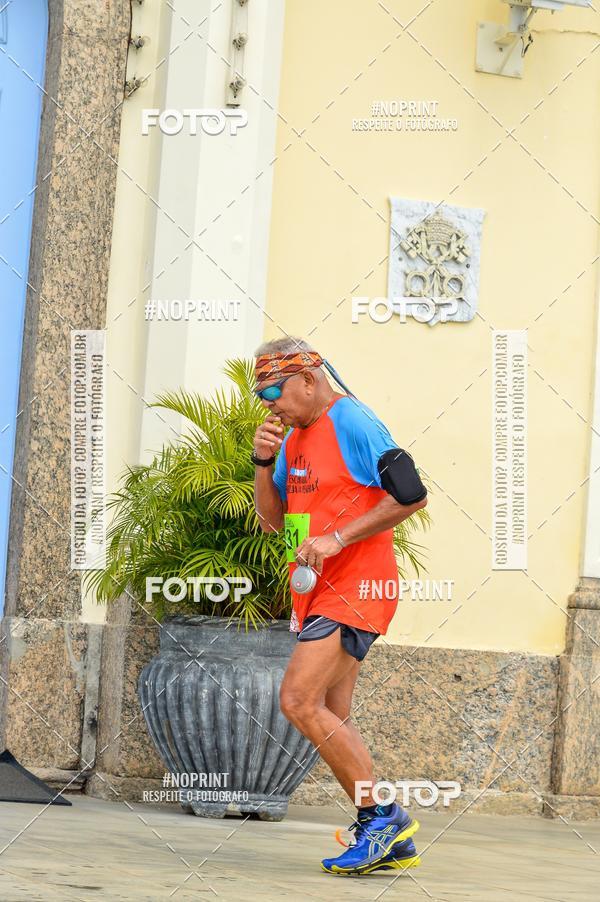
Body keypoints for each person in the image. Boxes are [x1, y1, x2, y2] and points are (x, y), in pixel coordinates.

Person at [251, 336, 429, 876]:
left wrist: (339, 539)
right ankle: (386, 837)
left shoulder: (353, 420)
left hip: (358, 586)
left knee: (298, 701)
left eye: (276, 391)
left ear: (310, 377)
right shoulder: (292, 440)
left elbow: (413, 492)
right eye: (263, 396)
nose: (271, 405)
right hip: (316, 592)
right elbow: (274, 522)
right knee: (333, 716)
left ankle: (385, 818)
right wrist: (262, 460)